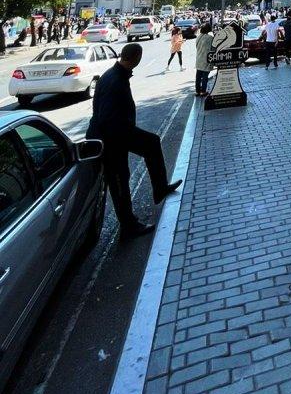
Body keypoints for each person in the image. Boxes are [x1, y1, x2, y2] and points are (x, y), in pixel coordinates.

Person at [86, 43, 181, 239]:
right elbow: (106, 119)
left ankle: (160, 188)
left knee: (152, 143)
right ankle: (128, 226)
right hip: (109, 138)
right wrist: (125, 139)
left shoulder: (115, 74)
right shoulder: (115, 81)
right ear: (137, 58)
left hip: (118, 131)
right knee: (119, 180)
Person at [194, 21, 213, 97]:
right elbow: (213, 48)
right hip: (206, 59)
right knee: (205, 76)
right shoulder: (210, 38)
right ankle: (203, 91)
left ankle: (197, 91)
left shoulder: (199, 37)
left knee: (198, 76)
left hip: (199, 58)